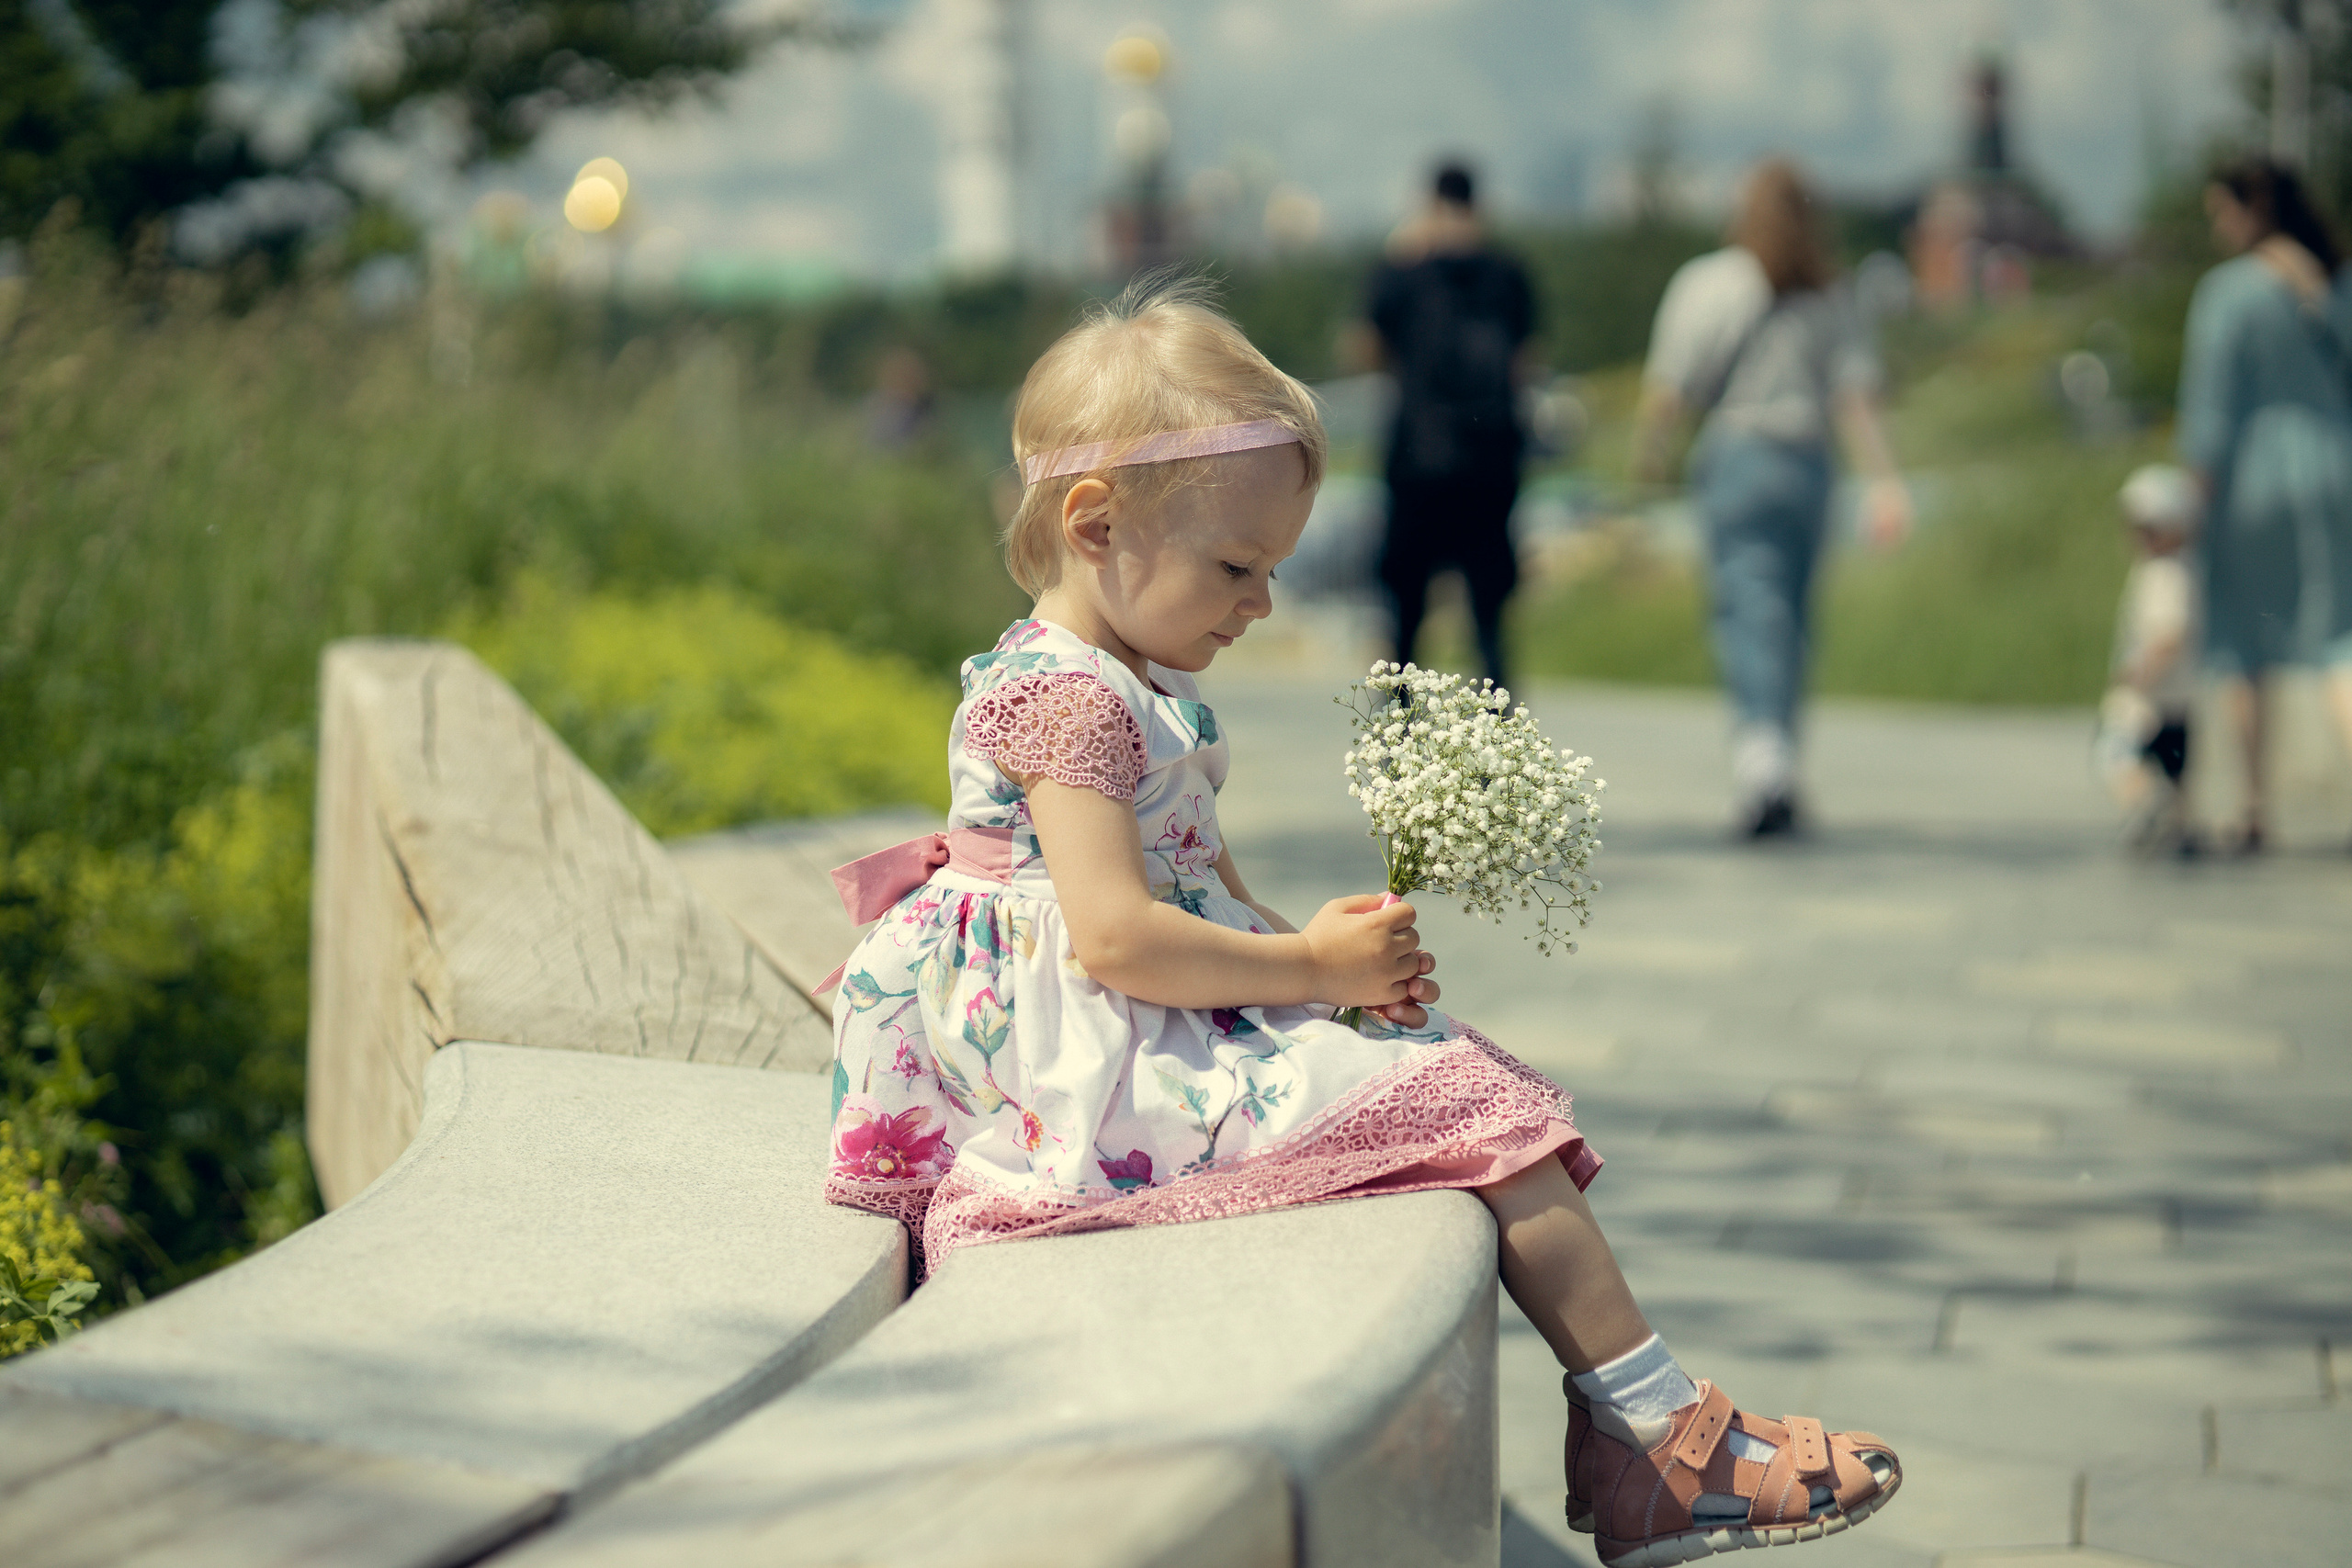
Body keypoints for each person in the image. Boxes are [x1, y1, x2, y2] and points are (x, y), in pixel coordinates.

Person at [820, 276, 1903, 1564]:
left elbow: (1194, 894)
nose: (1263, 601)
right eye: (1238, 565)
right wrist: (1305, 962)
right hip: (1088, 1058)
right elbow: (1115, 934)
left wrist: (1322, 973)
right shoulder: (1066, 700)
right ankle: (1659, 1437)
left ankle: (1649, 1429)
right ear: (1096, 521)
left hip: (1129, 1015)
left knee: (1459, 1069)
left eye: (1273, 569)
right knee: (1476, 1111)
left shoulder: (1129, 680)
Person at [1633, 158, 1912, 838]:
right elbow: (1855, 397)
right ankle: (1779, 758)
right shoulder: (1828, 292)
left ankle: (1762, 762)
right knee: (1791, 615)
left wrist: (1651, 452)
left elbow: (1673, 385)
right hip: (1809, 464)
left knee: (1747, 605)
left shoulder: (1707, 282)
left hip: (1737, 456)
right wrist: (1884, 479)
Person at [2178, 155, 2352, 853]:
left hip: (2254, 476)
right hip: (2338, 466)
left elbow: (2209, 412)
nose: (2218, 225)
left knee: (2241, 639)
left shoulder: (2230, 292)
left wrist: (2193, 496)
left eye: (2222, 210)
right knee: (2341, 635)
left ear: (2251, 208)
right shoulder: (2335, 281)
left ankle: (2251, 806)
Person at [1365, 162, 1537, 689]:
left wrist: (1404, 249)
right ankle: (1501, 738)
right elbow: (1527, 361)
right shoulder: (1508, 274)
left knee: (1406, 611)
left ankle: (1400, 733)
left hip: (1419, 457)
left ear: (1431, 204)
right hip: (1490, 460)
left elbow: (1367, 347)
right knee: (1489, 613)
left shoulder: (1405, 273)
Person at [2095, 465, 2202, 853]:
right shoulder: (2186, 570)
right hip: (2180, 696)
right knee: (2176, 766)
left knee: (2116, 754)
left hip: (2148, 695)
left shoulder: (2162, 575)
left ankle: (2143, 804)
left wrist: (2137, 675)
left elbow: (2168, 636)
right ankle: (2180, 822)